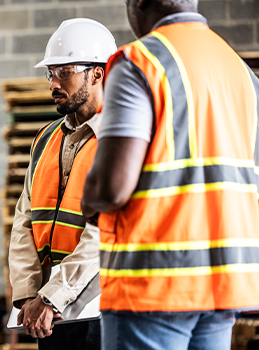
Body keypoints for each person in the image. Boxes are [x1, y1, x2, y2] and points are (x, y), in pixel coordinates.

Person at [81, 0, 259, 349]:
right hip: (224, 283)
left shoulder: (140, 62)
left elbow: (111, 188)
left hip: (154, 283)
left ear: (138, 4)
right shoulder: (241, 72)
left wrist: (89, 201)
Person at [8, 18, 116, 350]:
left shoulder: (118, 140)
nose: (54, 83)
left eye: (64, 72)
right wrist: (28, 295)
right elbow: (24, 219)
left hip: (101, 310)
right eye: (50, 74)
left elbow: (105, 231)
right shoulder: (45, 139)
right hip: (49, 314)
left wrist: (53, 297)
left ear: (96, 73)